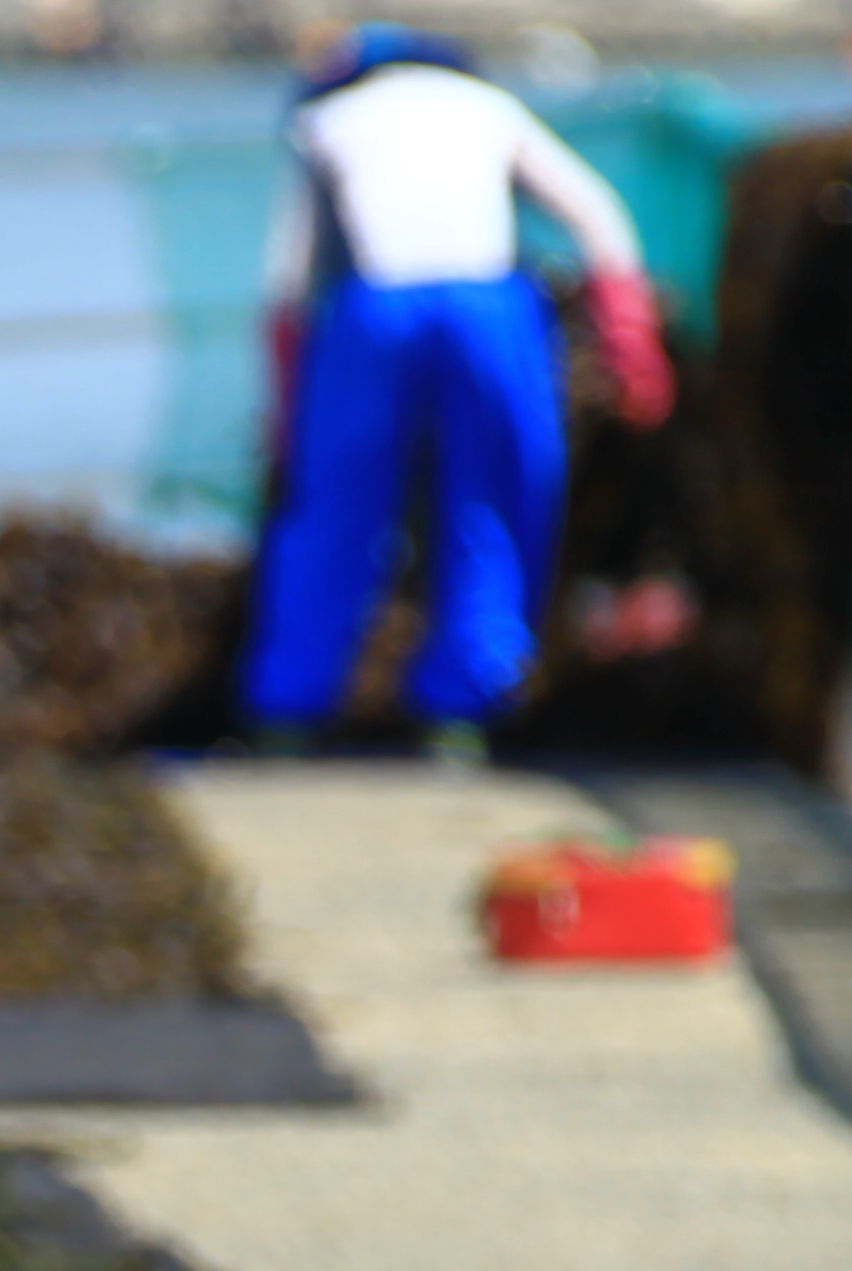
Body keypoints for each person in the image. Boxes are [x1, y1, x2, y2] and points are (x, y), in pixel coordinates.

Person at [240, 26, 675, 757]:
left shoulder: (327, 121)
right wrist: (630, 346)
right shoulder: (488, 107)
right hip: (490, 310)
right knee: (494, 501)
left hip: (372, 312)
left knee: (335, 508)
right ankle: (464, 712)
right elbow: (598, 218)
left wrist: (289, 406)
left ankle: (291, 710)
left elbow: (291, 280)